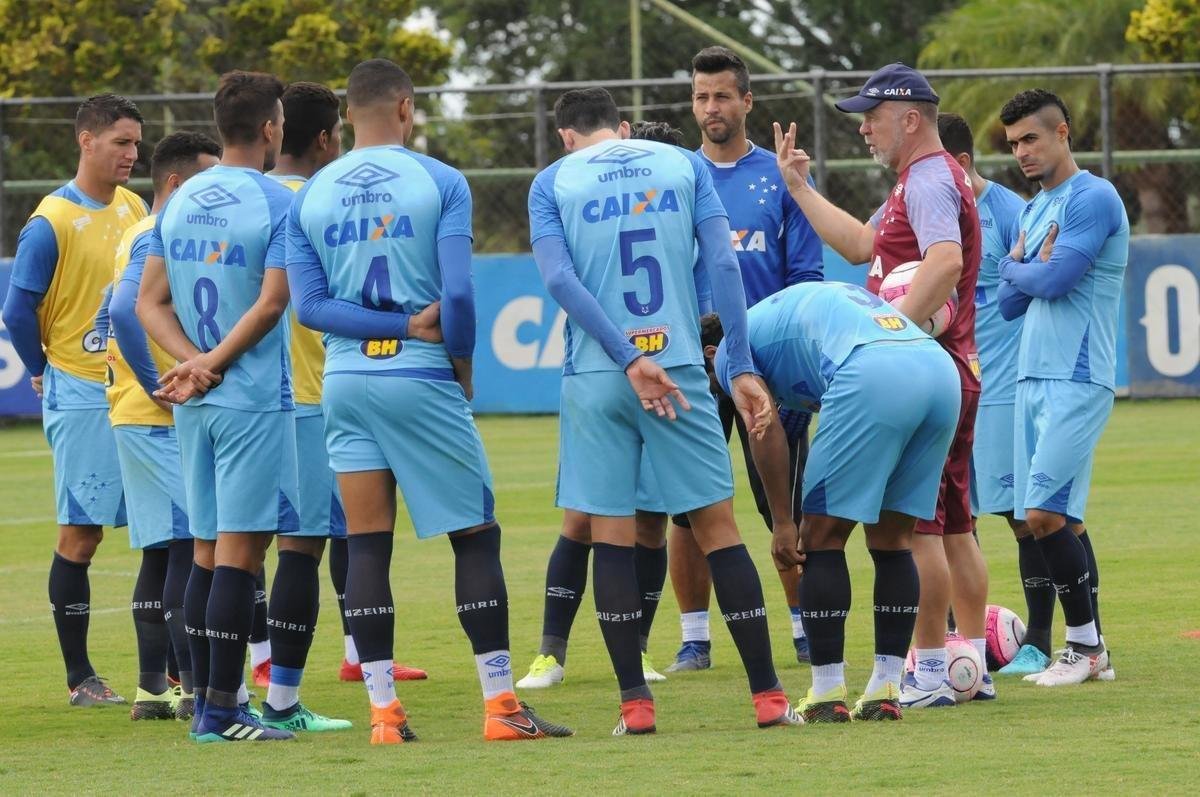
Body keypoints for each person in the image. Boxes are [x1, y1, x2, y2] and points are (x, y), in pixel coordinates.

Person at [286, 57, 571, 745]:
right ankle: (502, 707)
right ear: (407, 108)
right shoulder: (439, 180)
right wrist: (461, 362)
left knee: (366, 545)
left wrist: (385, 327)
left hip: (347, 381)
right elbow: (461, 295)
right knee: (474, 532)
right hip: (419, 377)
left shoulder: (309, 195)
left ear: (348, 115)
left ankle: (384, 714)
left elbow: (310, 306)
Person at [528, 86, 800, 735]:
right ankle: (768, 697)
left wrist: (625, 357)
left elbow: (560, 280)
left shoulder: (551, 181)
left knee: (613, 538)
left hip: (598, 373)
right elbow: (725, 264)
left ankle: (636, 707)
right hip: (679, 364)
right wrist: (741, 364)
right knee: (719, 528)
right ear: (619, 125)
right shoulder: (683, 165)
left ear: (568, 134)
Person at [774, 62, 985, 708]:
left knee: (913, 529)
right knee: (951, 525)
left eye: (871, 115)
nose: (863, 128)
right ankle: (967, 664)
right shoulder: (919, 180)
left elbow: (945, 261)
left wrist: (889, 334)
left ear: (910, 118)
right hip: (951, 368)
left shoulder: (925, 180)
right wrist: (800, 189)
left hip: (921, 369)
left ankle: (924, 673)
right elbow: (866, 245)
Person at [709, 282, 960, 721]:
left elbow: (763, 427)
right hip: (938, 370)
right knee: (892, 539)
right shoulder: (778, 322)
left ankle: (826, 694)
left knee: (820, 537)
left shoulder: (731, 349)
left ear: (710, 354)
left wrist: (785, 524)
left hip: (871, 370)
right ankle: (886, 689)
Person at [137, 70, 300, 743]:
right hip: (250, 398)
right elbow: (271, 301)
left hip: (195, 402)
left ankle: (208, 706)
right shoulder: (276, 200)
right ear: (269, 129)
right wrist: (215, 362)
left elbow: (148, 301)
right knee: (239, 551)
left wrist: (190, 362)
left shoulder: (178, 199)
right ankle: (226, 710)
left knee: (205, 551)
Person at [514, 118, 691, 692]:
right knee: (584, 520)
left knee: (650, 523)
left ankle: (635, 649)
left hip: (668, 368)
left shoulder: (678, 207)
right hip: (600, 373)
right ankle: (550, 653)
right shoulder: (586, 202)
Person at [667, 46, 824, 672]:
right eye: (702, 96)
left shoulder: (780, 179)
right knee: (690, 506)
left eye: (723, 95)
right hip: (693, 362)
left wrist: (753, 342)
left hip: (768, 364)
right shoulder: (678, 178)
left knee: (785, 503)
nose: (712, 107)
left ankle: (803, 630)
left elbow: (807, 275)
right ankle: (694, 639)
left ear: (747, 101)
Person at [1, 94, 148, 707]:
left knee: (161, 530)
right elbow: (16, 310)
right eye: (121, 142)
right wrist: (43, 372)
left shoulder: (136, 206)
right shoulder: (51, 221)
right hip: (82, 390)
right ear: (85, 140)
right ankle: (80, 677)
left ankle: (161, 673)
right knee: (82, 533)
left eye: (137, 143)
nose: (132, 154)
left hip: (133, 386)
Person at [995, 88, 1125, 686]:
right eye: (1014, 143)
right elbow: (1008, 301)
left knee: (1043, 515)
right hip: (1032, 376)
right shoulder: (1030, 210)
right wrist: (1025, 269)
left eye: (1031, 138)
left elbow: (1056, 280)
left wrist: (1021, 269)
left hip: (1076, 375)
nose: (1022, 152)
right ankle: (1095, 650)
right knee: (1063, 519)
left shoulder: (1093, 198)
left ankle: (1083, 647)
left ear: (1062, 132)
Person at [98, 131, 221, 720]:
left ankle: (153, 688)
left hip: (131, 412)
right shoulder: (163, 231)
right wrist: (157, 379)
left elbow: (107, 310)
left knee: (159, 550)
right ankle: (197, 687)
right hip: (154, 415)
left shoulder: (132, 232)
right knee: (187, 550)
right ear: (176, 183)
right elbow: (125, 310)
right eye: (205, 179)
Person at [937, 112, 1054, 680]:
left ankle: (1038, 639)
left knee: (1020, 515)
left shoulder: (1011, 212)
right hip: (945, 384)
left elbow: (1032, 290)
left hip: (1003, 386)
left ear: (958, 164)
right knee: (955, 516)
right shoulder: (918, 202)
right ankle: (960, 635)